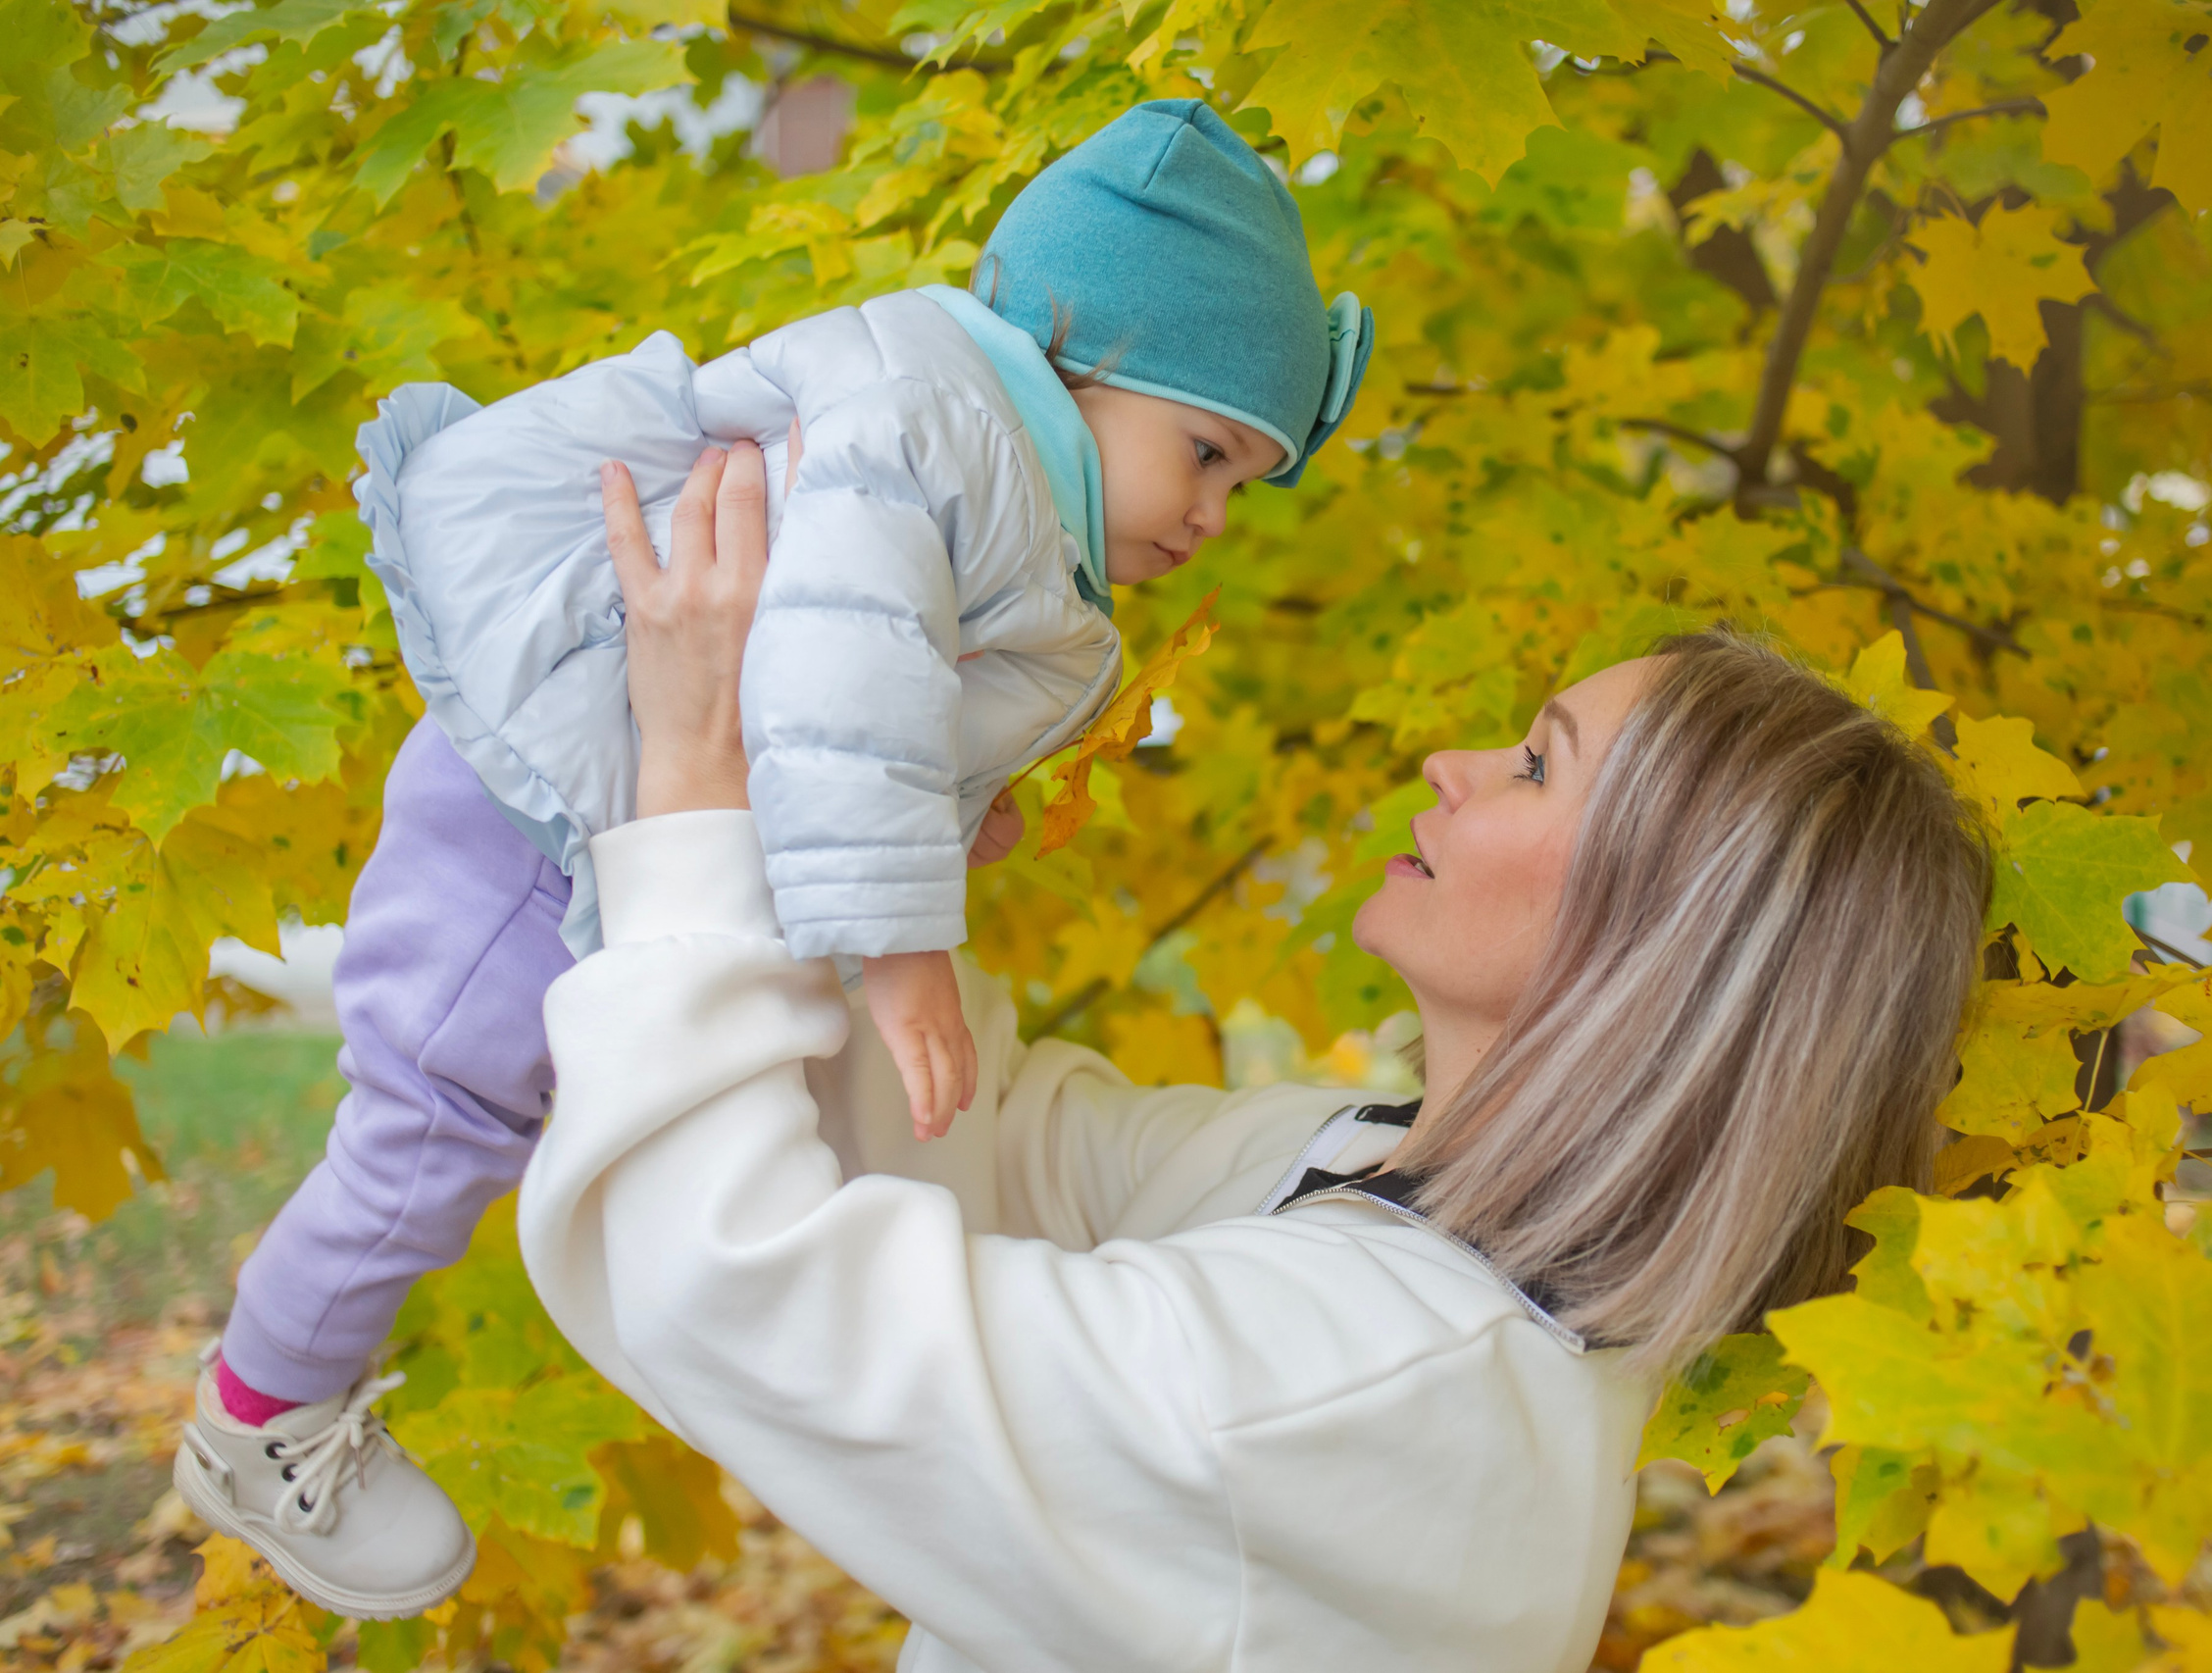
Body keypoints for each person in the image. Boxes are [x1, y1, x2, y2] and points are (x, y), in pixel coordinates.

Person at [174, 99, 1373, 1617]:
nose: (1212, 515)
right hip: (527, 826)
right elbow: (830, 680)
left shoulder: (987, 468)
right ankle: (259, 1413)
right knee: (430, 1119)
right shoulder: (946, 434)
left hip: (597, 811)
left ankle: (295, 1385)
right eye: (1204, 453)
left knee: (509, 1119)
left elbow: (867, 713)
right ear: (1092, 352)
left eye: (1243, 487)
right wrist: (906, 937)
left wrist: (946, 813)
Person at [509, 450, 1993, 1671]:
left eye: (1539, 764)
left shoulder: (1365, 1386)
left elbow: (752, 1291)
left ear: (1663, 943)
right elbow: (992, 1147)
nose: (1451, 766)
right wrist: (874, 844)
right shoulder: (1362, 1168)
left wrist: (693, 785)